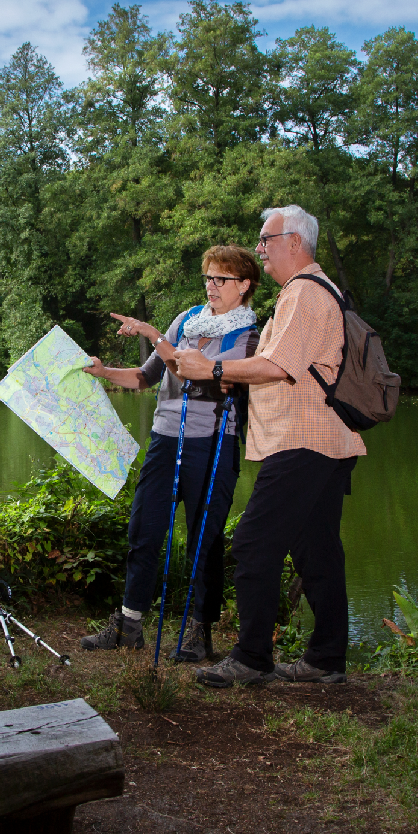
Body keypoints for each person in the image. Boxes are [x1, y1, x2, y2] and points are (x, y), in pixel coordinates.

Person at [173, 205, 364, 687]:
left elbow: (277, 366)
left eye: (266, 240)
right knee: (317, 549)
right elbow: (281, 365)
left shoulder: (304, 293)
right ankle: (326, 659)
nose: (260, 249)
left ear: (295, 242)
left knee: (254, 543)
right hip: (324, 441)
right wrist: (232, 377)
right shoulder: (314, 291)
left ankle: (252, 658)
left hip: (302, 442)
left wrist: (214, 370)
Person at [80, 244, 262, 662]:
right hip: (165, 440)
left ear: (244, 285)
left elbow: (193, 374)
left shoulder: (249, 336)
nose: (211, 286)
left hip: (212, 443)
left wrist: (151, 334)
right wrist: (104, 372)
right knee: (144, 529)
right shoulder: (186, 320)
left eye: (221, 279)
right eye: (208, 278)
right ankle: (129, 625)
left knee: (205, 539)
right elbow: (148, 378)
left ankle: (200, 631)